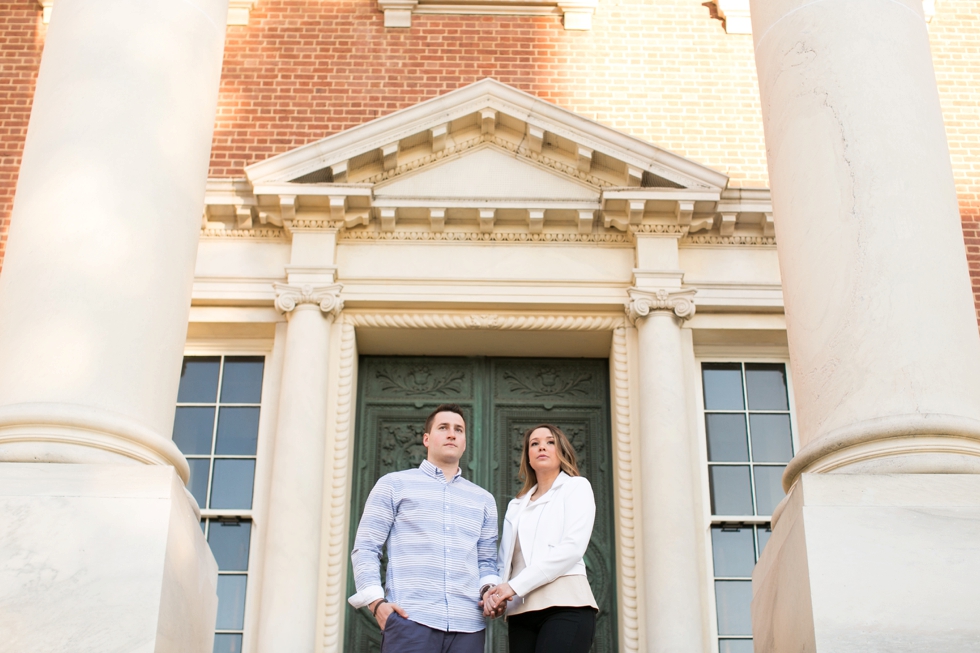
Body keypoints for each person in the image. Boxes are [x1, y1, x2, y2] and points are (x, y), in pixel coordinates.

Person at [348, 403, 500, 653]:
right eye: (444, 427)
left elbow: (486, 561)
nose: (452, 434)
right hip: (410, 620)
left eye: (459, 430)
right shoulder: (394, 485)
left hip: (469, 627)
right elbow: (366, 547)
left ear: (464, 442)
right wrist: (376, 604)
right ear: (426, 439)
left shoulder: (484, 499)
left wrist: (489, 592)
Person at [482, 424, 598, 653]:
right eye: (534, 444)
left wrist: (513, 587)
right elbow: (506, 561)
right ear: (528, 456)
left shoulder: (576, 487)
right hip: (521, 613)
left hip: (567, 605)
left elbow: (572, 548)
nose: (541, 447)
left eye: (550, 442)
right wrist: (495, 596)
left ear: (562, 450)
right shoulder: (516, 505)